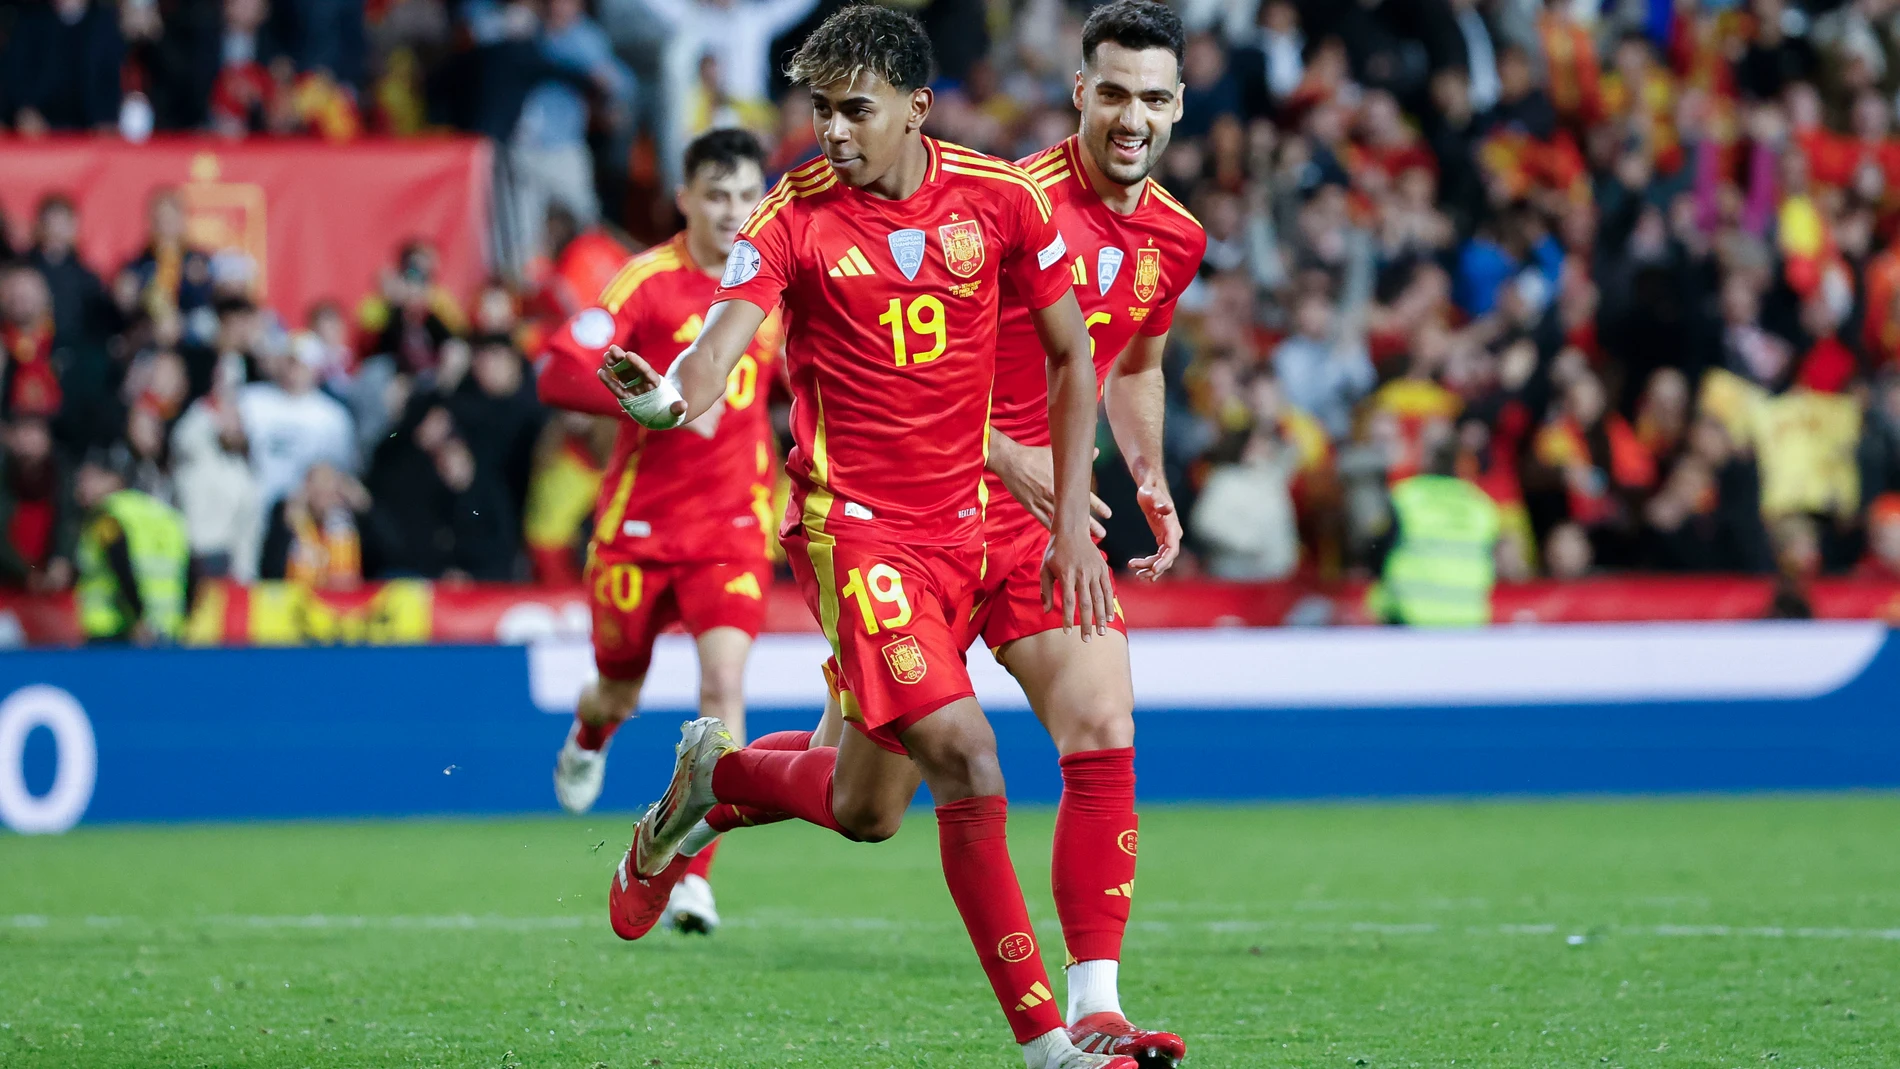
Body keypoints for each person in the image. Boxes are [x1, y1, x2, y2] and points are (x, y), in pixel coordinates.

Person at [597, 9, 1122, 1069]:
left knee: (866, 807)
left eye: (854, 111)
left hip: (971, 534)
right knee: (969, 760)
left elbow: (1073, 359)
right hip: (856, 537)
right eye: (820, 110)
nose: (831, 131)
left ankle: (708, 787)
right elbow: (717, 351)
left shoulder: (1001, 200)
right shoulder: (793, 214)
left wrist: (1068, 520)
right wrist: (666, 403)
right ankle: (1051, 1044)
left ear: (915, 109)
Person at [534, 128, 782, 935]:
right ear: (684, 200)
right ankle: (589, 733)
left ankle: (690, 869)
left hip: (735, 526)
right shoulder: (646, 282)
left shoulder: (776, 282)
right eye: (716, 194)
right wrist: (641, 401)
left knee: (722, 692)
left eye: (747, 194)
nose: (733, 211)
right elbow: (558, 368)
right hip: (638, 528)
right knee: (620, 687)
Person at [1367, 431, 1500, 627]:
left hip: (1408, 616)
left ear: (1427, 460)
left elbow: (1375, 551)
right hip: (1467, 619)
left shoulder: (1405, 497)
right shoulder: (1482, 507)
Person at [72, 450, 192, 644]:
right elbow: (192, 570)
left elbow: (121, 565)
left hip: (115, 629)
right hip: (169, 628)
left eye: (90, 479)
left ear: (114, 480)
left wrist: (139, 617)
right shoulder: (166, 515)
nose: (81, 488)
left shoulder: (107, 516)